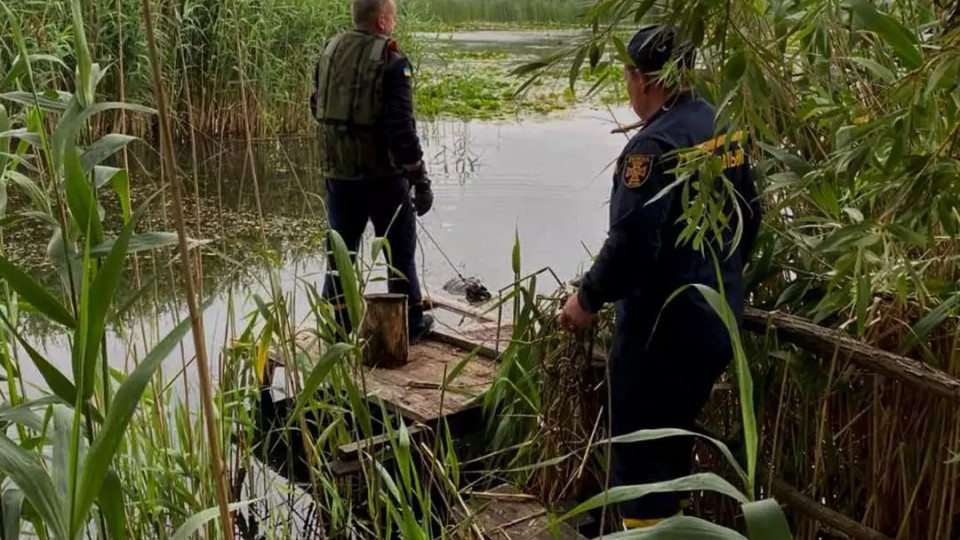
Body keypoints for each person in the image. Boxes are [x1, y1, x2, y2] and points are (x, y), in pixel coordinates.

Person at [559, 25, 763, 529]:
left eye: (627, 76)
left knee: (642, 464)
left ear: (645, 80)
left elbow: (631, 242)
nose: (627, 87)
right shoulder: (722, 123)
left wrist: (586, 299)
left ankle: (649, 531)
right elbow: (750, 216)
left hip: (661, 332)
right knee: (673, 449)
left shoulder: (652, 147)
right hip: (715, 318)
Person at [310, 0, 434, 342]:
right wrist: (420, 180)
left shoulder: (329, 51)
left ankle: (337, 327)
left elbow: (315, 105)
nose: (394, 22)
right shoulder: (392, 60)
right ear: (381, 21)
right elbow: (401, 130)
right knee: (399, 251)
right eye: (393, 16)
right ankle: (409, 326)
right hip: (383, 180)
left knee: (341, 254)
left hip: (339, 175)